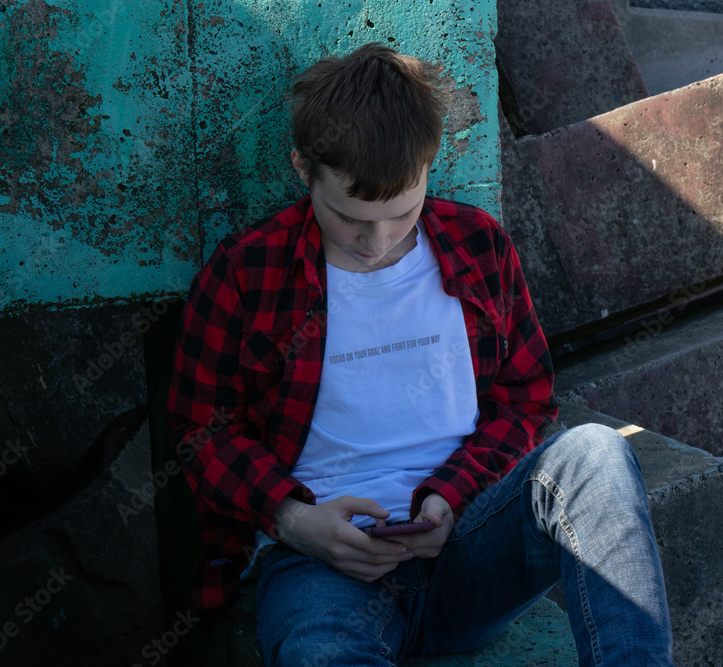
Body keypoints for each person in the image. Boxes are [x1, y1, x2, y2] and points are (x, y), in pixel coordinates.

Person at [165, 42, 673, 666]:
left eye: (402, 212)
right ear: (303, 169)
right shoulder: (248, 271)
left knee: (597, 452)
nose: (377, 241)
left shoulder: (478, 245)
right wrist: (294, 520)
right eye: (349, 219)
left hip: (469, 545)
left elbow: (525, 403)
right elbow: (200, 432)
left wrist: (452, 495)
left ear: (430, 166)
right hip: (319, 570)